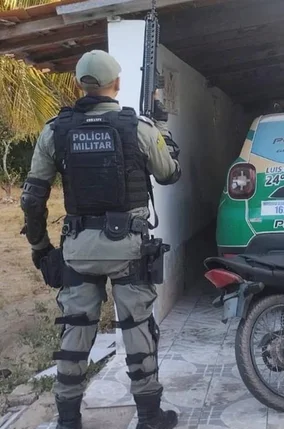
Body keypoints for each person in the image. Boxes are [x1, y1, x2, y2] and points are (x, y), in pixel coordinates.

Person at [20, 50, 181, 429]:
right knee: (138, 328)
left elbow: (31, 197)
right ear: (117, 84)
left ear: (79, 84)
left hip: (78, 249)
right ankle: (149, 417)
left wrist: (41, 249)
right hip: (128, 249)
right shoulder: (138, 128)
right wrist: (163, 134)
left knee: (75, 330)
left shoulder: (55, 131)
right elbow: (170, 173)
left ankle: (68, 420)